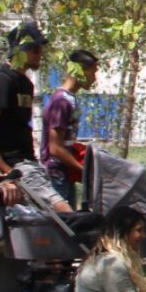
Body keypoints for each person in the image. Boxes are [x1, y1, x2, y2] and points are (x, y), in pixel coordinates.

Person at [0, 23, 71, 213]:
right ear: (20, 50)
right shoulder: (2, 81)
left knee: (39, 231)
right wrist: (5, 176)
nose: (40, 54)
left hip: (28, 164)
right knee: (66, 214)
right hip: (13, 166)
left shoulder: (26, 84)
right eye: (35, 49)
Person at [41, 48, 100, 209]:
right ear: (80, 70)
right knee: (62, 228)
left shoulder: (70, 99)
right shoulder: (61, 101)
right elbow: (55, 148)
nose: (94, 79)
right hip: (56, 176)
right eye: (93, 73)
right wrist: (83, 169)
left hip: (65, 174)